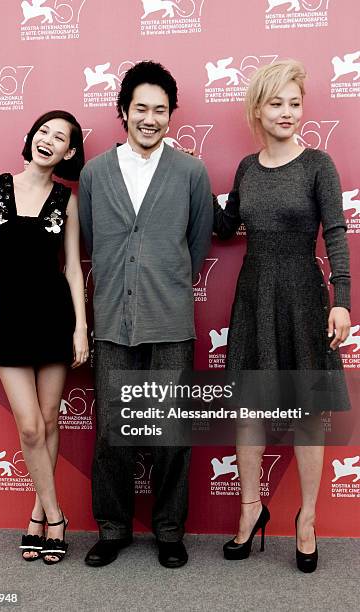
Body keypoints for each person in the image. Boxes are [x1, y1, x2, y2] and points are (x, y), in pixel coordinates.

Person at [213, 60, 351, 572]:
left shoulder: (319, 165)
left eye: (295, 103)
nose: (288, 112)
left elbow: (335, 234)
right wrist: (185, 180)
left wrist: (342, 299)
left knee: (308, 414)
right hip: (254, 297)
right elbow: (226, 226)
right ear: (257, 109)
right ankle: (251, 509)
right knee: (249, 408)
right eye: (277, 103)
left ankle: (307, 519)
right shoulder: (247, 168)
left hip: (303, 297)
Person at [79, 61, 213, 568]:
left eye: (161, 109)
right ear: (124, 111)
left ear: (171, 115)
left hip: (171, 322)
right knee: (113, 430)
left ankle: (169, 529)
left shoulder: (192, 172)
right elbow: (95, 243)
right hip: (113, 320)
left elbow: (196, 245)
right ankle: (112, 528)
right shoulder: (94, 174)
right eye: (141, 108)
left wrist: (164, 283)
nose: (150, 118)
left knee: (171, 434)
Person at [0, 110, 88, 564]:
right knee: (29, 426)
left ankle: (38, 514)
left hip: (53, 315)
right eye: (44, 131)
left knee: (50, 420)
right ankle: (57, 517)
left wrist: (80, 326)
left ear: (68, 153)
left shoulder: (66, 199)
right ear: (31, 137)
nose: (49, 140)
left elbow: (73, 269)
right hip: (7, 315)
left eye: (60, 138)